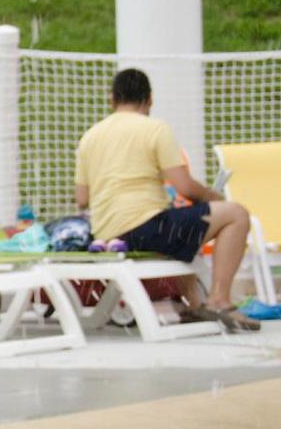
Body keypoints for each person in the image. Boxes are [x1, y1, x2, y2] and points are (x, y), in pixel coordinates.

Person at [74, 67, 259, 332]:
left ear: (112, 99)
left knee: (187, 221)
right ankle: (219, 300)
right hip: (146, 230)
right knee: (236, 214)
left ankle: (194, 305)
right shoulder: (155, 129)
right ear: (149, 100)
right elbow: (185, 186)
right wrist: (215, 197)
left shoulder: (90, 136)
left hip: (107, 235)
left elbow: (82, 199)